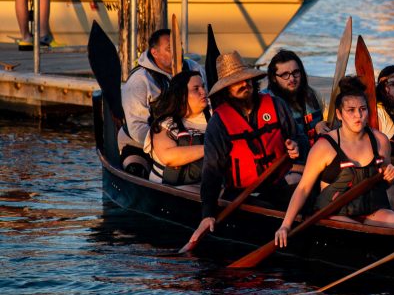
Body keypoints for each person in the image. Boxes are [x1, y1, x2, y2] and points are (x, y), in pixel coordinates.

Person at [192, 51, 306, 243]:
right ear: (226, 89)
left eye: (246, 80)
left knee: (309, 197)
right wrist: (207, 214)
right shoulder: (218, 122)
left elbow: (300, 138)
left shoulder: (276, 105)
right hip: (240, 195)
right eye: (236, 82)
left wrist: (296, 146)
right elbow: (211, 172)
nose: (244, 84)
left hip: (277, 185)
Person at [274, 77, 394, 247]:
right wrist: (285, 225)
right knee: (356, 231)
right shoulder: (324, 147)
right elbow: (303, 188)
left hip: (369, 210)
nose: (358, 115)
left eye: (363, 109)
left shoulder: (380, 141)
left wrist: (389, 176)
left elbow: (384, 186)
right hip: (334, 213)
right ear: (340, 114)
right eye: (351, 110)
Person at [119, 28, 203, 177]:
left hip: (187, 138)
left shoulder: (194, 69)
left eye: (180, 46)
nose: (178, 52)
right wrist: (162, 150)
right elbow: (136, 126)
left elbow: (204, 103)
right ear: (154, 52)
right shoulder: (140, 80)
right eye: (170, 49)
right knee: (136, 172)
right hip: (139, 142)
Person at [148, 70, 209, 185]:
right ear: (182, 95)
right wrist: (210, 148)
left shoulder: (214, 115)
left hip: (206, 185)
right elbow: (168, 156)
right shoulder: (166, 124)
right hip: (169, 187)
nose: (203, 92)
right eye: (196, 89)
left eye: (203, 86)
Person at [264, 49, 328, 149]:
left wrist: (320, 125)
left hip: (317, 156)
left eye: (296, 72)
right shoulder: (265, 103)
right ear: (273, 78)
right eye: (285, 75)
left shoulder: (314, 95)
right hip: (289, 162)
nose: (292, 79)